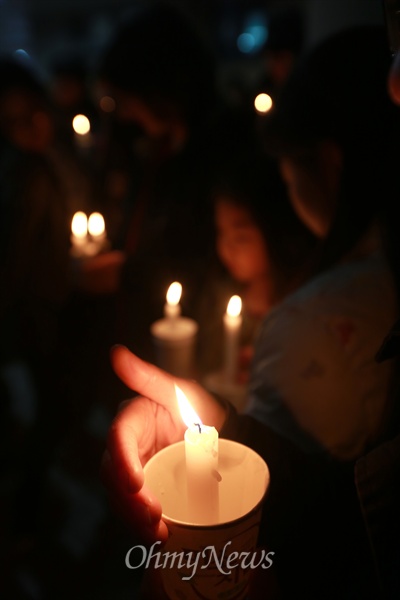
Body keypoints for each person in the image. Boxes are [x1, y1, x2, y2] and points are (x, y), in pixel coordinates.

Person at [101, 26, 400, 598]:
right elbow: (352, 502)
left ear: (329, 164)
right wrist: (229, 428)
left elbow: (354, 528)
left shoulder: (314, 316)